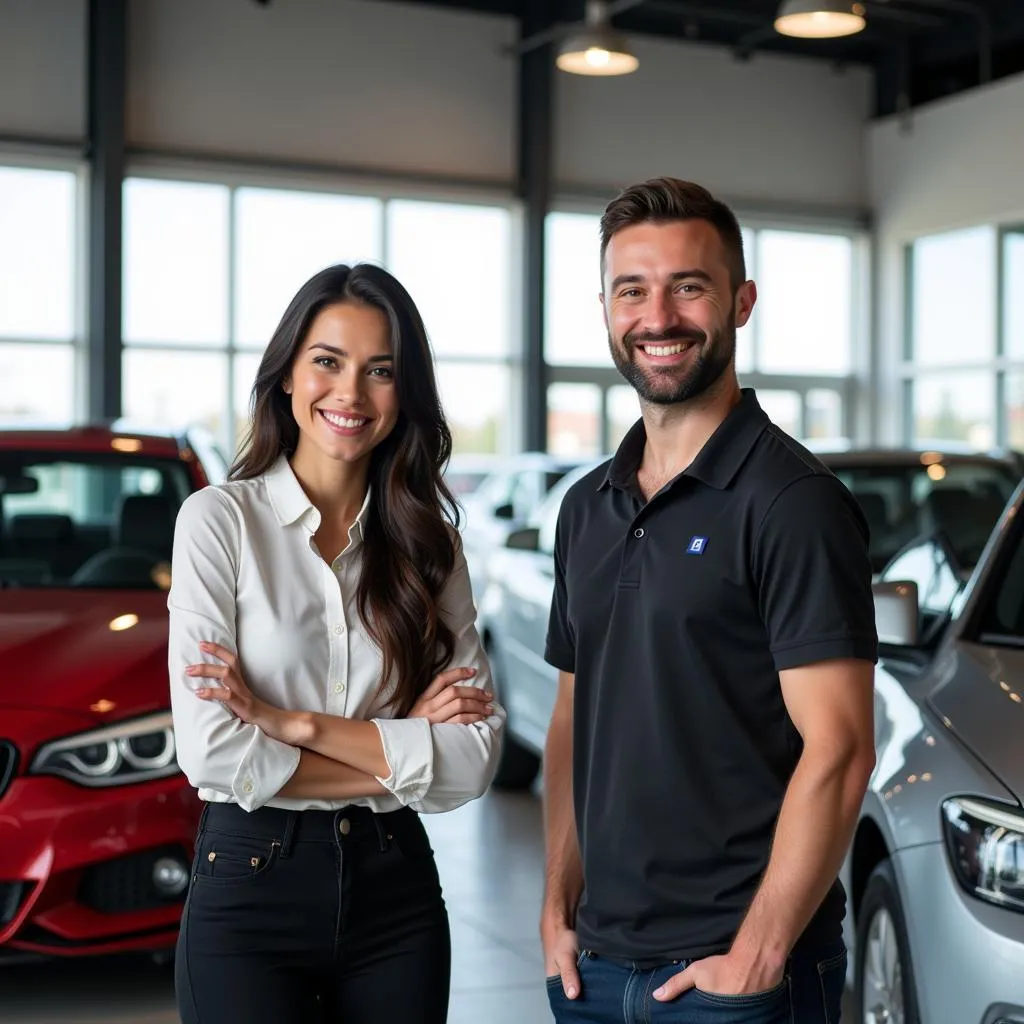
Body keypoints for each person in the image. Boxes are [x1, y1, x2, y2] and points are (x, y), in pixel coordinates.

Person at [541, 179, 877, 1024]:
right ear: (607, 309)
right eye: (633, 290)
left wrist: (757, 957)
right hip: (595, 968)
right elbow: (573, 720)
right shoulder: (587, 506)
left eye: (688, 286)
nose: (659, 317)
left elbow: (839, 751)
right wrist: (557, 906)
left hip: (735, 977)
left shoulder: (792, 501)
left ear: (741, 302)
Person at [167, 263, 505, 1024]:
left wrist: (293, 725)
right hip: (250, 888)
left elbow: (474, 759)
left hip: (398, 896)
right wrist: (404, 752)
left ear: (404, 392)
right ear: (288, 374)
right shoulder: (219, 523)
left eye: (379, 370)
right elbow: (213, 752)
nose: (350, 393)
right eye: (328, 361)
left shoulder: (431, 547)